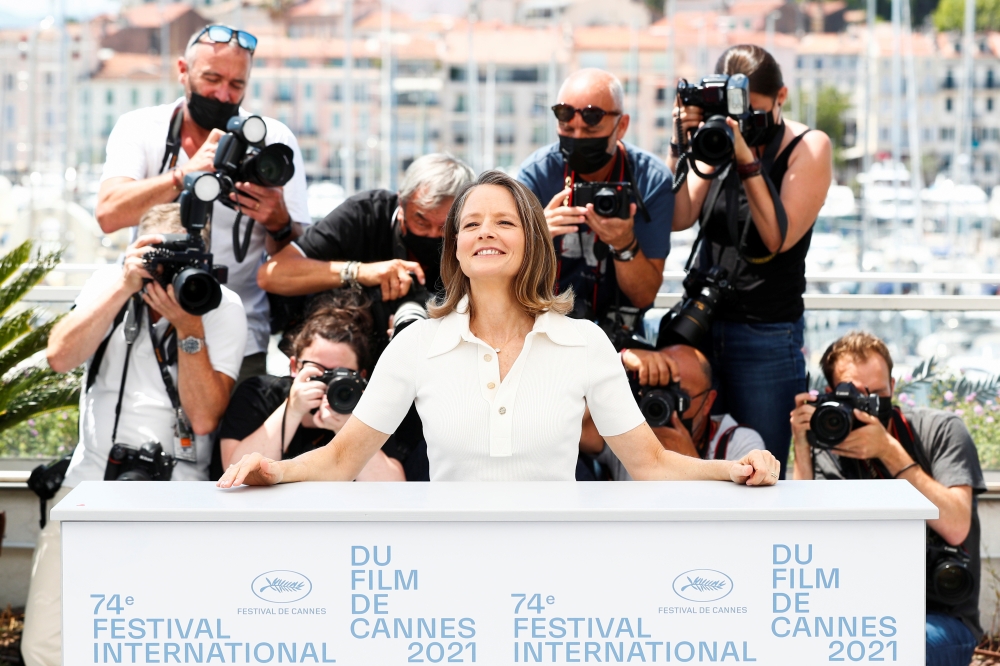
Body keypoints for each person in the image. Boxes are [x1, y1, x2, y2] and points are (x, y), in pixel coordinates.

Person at [218, 170, 779, 488]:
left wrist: (735, 469)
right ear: (456, 247)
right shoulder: (417, 345)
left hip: (556, 572)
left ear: (531, 241)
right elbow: (341, 459)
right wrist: (273, 469)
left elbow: (649, 463)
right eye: (472, 224)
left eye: (505, 221)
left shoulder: (584, 342)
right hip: (449, 567)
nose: (487, 232)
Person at [21, 204, 247, 666]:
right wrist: (123, 287)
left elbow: (204, 418)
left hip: (178, 494)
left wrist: (189, 327)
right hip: (91, 483)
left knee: (161, 642)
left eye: (184, 260)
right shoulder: (110, 284)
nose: (170, 275)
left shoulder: (220, 305)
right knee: (47, 644)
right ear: (135, 254)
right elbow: (60, 357)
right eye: (159, 261)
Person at [95, 24, 309, 383]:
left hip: (240, 335)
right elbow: (108, 213)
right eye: (212, 78)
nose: (223, 95)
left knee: (235, 439)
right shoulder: (140, 127)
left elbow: (297, 251)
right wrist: (183, 176)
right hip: (151, 324)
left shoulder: (273, 141)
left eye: (236, 85)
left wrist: (278, 221)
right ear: (183, 71)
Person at [667, 44, 832, 476]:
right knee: (689, 463)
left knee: (762, 472)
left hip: (765, 335)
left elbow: (776, 237)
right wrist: (683, 145)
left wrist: (745, 156)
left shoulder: (808, 146)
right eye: (737, 115)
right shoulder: (717, 134)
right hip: (702, 324)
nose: (744, 125)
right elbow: (679, 216)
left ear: (782, 96)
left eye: (755, 114)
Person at [790, 332, 985, 666]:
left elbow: (955, 526)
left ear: (893, 386)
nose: (869, 410)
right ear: (830, 396)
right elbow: (801, 544)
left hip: (938, 615)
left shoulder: (941, 430)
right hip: (856, 617)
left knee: (883, 654)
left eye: (878, 395)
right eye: (855, 399)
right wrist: (804, 447)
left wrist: (890, 453)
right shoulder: (828, 443)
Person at [517, 69, 673, 343]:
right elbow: (509, 283)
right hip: (546, 329)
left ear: (621, 126)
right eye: (567, 129)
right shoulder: (536, 175)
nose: (577, 138)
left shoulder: (651, 180)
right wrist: (536, 238)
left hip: (622, 331)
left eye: (591, 129)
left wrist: (625, 244)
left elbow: (644, 296)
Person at [258, 152, 475, 336]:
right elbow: (272, 275)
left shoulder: (473, 239)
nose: (432, 234)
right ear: (401, 203)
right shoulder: (364, 215)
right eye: (421, 221)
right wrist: (359, 272)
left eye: (445, 228)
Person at [218, 294, 404, 481]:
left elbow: (394, 487)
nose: (327, 384)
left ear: (361, 376)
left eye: (340, 375)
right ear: (294, 367)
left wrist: (349, 431)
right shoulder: (260, 393)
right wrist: (292, 410)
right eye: (317, 372)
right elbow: (236, 472)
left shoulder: (367, 407)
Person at [582, 345, 765, 481]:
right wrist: (618, 365)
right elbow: (568, 422)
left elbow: (734, 522)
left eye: (679, 396)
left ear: (708, 401)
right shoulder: (628, 432)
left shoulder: (738, 443)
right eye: (658, 390)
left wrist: (690, 461)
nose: (664, 404)